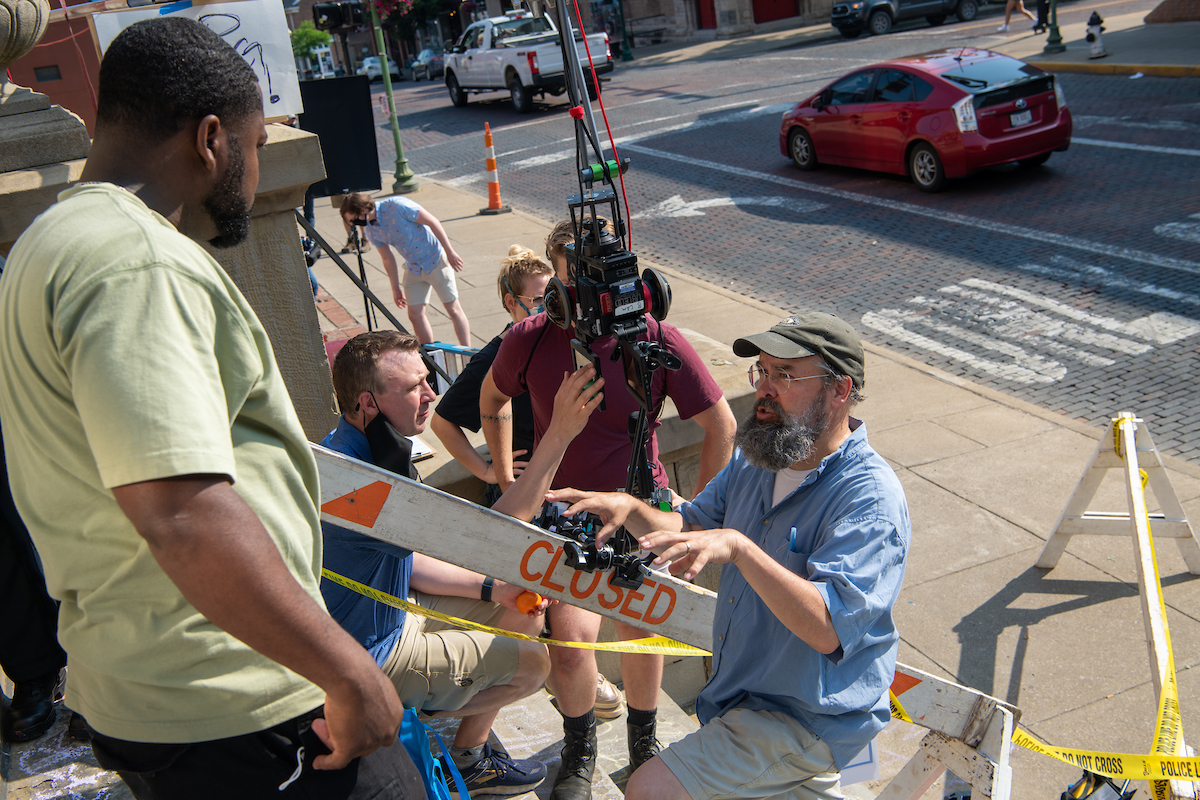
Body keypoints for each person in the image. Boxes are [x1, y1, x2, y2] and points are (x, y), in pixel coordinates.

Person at [0, 18, 416, 798]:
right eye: (257, 146)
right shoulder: (138, 263)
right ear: (212, 138)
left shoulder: (51, 240)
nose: (255, 171)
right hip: (240, 701)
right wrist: (347, 668)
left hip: (159, 690)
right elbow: (182, 512)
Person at [549, 313, 911, 800]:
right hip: (742, 699)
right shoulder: (758, 457)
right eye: (761, 372)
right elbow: (692, 524)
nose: (765, 388)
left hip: (806, 720)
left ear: (840, 390)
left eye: (785, 374)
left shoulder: (869, 499)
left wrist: (740, 548)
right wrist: (631, 509)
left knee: (650, 788)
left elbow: (829, 627)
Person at [479, 221, 738, 800]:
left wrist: (699, 517)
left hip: (640, 509)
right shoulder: (529, 339)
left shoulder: (653, 337)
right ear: (555, 290)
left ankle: (643, 740)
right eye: (580, 285)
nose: (595, 299)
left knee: (640, 630)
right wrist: (507, 476)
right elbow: (491, 400)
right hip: (567, 515)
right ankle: (580, 749)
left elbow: (721, 424)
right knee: (569, 642)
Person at [321, 330, 607, 796]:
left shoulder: (363, 447)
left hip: (391, 611)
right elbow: (486, 537)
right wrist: (558, 434)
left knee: (520, 606)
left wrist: (493, 590)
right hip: (371, 657)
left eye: (426, 379)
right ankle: (387, 711)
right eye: (414, 386)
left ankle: (470, 758)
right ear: (367, 403)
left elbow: (409, 559)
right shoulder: (360, 484)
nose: (431, 393)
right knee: (535, 664)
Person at [430, 244, 628, 719]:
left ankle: (572, 674)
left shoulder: (562, 339)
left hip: (566, 493)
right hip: (526, 500)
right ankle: (557, 686)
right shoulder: (507, 348)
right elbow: (444, 421)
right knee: (535, 602)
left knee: (560, 599)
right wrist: (495, 473)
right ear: (510, 303)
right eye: (539, 300)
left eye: (555, 296)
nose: (551, 308)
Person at [340, 192, 471, 346]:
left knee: (453, 309)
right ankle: (430, 356)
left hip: (434, 259)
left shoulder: (397, 206)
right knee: (415, 315)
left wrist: (450, 252)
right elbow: (387, 258)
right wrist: (395, 287)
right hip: (413, 267)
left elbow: (432, 221)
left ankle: (467, 354)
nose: (355, 224)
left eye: (354, 220)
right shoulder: (371, 229)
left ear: (362, 210)